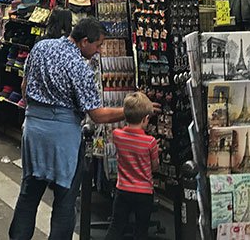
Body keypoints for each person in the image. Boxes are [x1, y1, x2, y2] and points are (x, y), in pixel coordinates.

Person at [9, 18, 129, 240]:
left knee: (29, 193)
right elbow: (96, 114)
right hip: (63, 136)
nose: (99, 52)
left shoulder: (41, 47)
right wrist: (128, 111)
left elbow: (25, 87)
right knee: (65, 198)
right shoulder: (79, 67)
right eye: (98, 45)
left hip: (34, 129)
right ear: (84, 42)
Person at [103, 92, 159, 240]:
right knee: (141, 230)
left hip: (123, 190)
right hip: (144, 193)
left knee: (116, 226)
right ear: (146, 119)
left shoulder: (117, 135)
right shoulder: (150, 142)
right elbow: (155, 167)